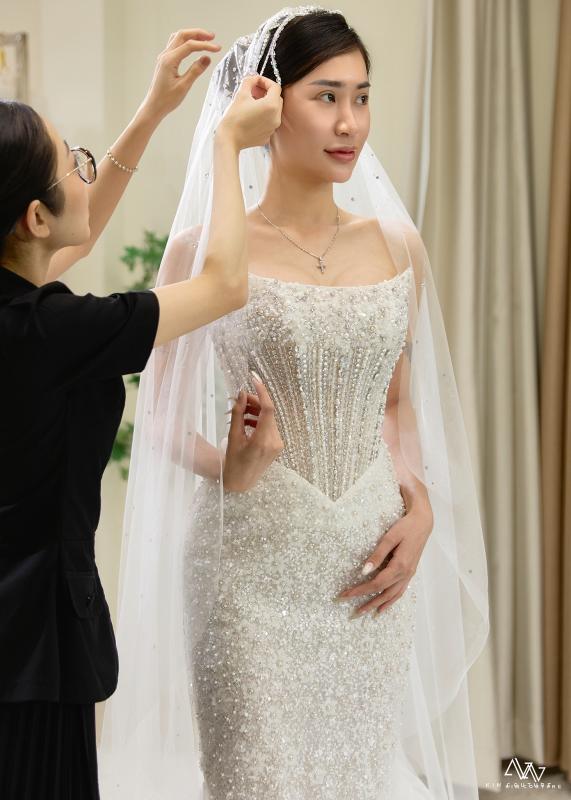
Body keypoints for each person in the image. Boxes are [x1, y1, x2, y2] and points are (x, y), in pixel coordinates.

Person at [100, 7, 490, 800]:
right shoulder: (203, 251)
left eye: (361, 96)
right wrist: (228, 466)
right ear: (268, 104)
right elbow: (160, 418)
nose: (350, 123)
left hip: (366, 564)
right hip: (246, 568)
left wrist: (419, 508)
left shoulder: (397, 246)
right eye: (326, 97)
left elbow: (397, 406)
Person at [0, 27, 284, 800]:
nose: (85, 170)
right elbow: (223, 285)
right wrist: (225, 144)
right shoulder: (52, 330)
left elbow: (73, 235)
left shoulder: (21, 308)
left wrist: (154, 110)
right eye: (73, 163)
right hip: (29, 647)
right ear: (33, 217)